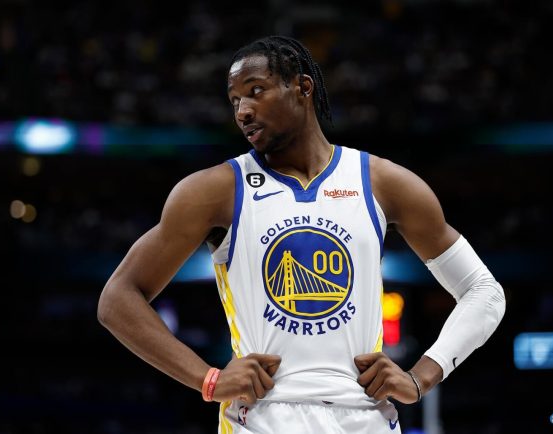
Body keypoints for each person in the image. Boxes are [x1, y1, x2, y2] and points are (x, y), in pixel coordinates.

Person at [97, 35, 506, 434]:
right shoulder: (215, 190)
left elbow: (484, 291)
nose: (243, 111)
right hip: (263, 419)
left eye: (255, 91)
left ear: (303, 87)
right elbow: (117, 299)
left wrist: (421, 377)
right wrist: (208, 379)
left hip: (364, 417)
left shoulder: (382, 182)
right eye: (235, 100)